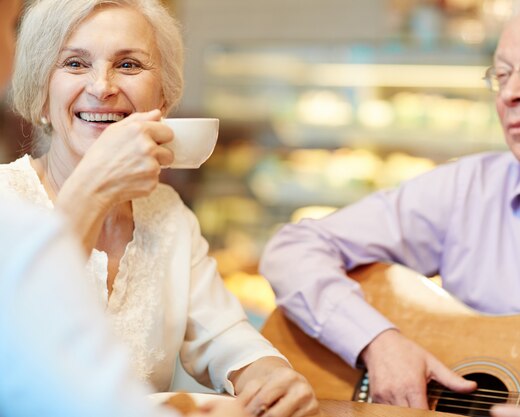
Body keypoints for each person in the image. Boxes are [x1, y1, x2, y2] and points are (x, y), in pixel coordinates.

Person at [260, 0, 520, 407]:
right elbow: (292, 249)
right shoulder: (467, 190)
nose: (511, 93)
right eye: (501, 74)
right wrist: (377, 341)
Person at [1, 1, 318, 416]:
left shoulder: (168, 214)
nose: (102, 87)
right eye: (75, 64)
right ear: (41, 94)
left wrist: (268, 374)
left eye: (129, 65)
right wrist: (92, 190)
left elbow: (224, 333)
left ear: (163, 98)